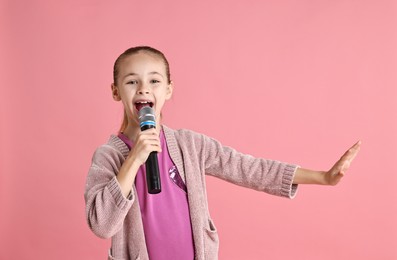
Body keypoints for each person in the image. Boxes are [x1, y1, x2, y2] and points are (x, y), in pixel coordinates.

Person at [84, 46, 361, 260]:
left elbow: (248, 168)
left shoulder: (189, 145)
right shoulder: (109, 156)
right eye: (132, 81)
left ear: (168, 90)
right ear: (116, 91)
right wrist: (134, 159)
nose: (144, 87)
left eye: (154, 81)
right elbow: (101, 225)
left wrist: (323, 177)